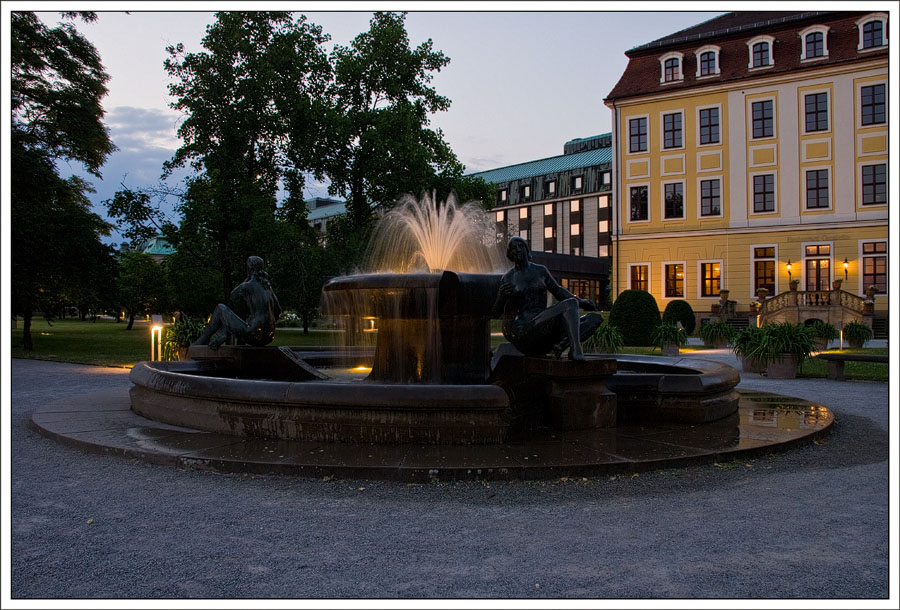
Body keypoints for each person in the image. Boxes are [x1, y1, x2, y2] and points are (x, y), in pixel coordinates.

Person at [491, 236, 603, 361]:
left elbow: (558, 290)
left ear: (527, 250)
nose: (517, 250)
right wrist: (501, 296)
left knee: (595, 318)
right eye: (513, 248)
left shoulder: (540, 271)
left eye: (520, 246)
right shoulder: (508, 278)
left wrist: (581, 302)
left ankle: (561, 346)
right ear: (509, 254)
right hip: (523, 329)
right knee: (570, 303)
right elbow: (495, 313)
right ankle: (576, 349)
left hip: (543, 323)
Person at [193, 256, 282, 349]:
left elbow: (233, 296)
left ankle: (203, 340)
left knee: (220, 308)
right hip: (269, 337)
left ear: (250, 268)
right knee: (232, 318)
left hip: (253, 335)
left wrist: (247, 278)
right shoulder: (268, 288)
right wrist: (267, 325)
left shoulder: (247, 285)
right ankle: (224, 333)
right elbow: (278, 310)